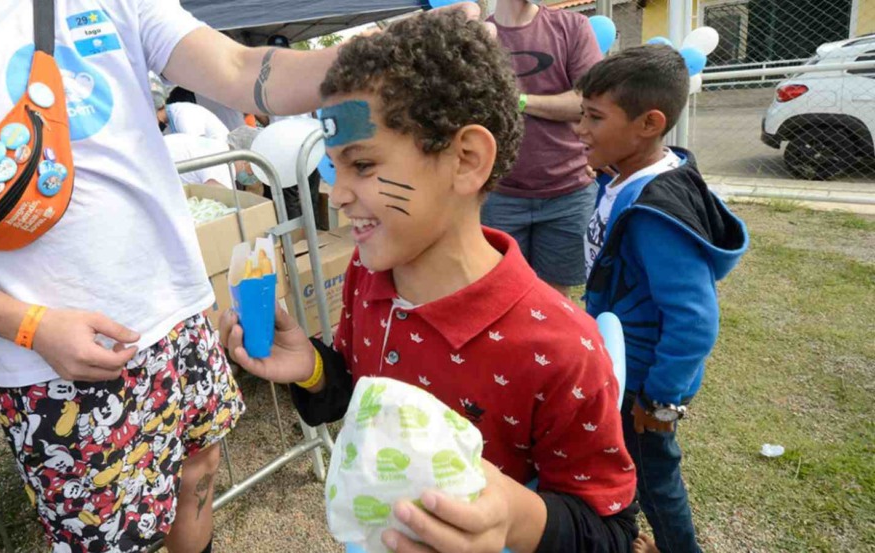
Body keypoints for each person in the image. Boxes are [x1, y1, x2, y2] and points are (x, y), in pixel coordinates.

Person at [0, 1, 482, 550]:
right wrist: (29, 326)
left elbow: (233, 63)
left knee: (199, 469)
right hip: (55, 357)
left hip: (181, 314)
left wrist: (373, 61)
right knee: (108, 537)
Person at [220, 11, 639, 553]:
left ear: (466, 160)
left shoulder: (562, 348)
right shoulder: (367, 280)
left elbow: (608, 530)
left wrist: (513, 516)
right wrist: (313, 368)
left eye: (363, 165)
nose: (338, 193)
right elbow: (360, 395)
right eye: (333, 169)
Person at [576, 45, 749, 553]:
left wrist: (661, 399)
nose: (581, 129)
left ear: (648, 123)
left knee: (653, 474)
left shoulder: (654, 215)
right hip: (623, 361)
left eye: (594, 117)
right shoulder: (633, 174)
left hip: (646, 381)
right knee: (623, 459)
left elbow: (694, 320)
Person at [482, 0, 603, 297]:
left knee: (554, 299)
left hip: (568, 190)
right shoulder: (479, 36)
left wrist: (519, 101)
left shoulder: (572, 27)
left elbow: (589, 102)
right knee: (500, 294)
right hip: (499, 193)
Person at [163, 133, 235, 188]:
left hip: (159, 156)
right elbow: (216, 192)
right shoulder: (223, 159)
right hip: (160, 173)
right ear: (244, 161)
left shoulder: (218, 146)